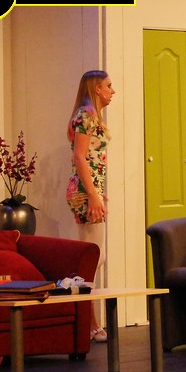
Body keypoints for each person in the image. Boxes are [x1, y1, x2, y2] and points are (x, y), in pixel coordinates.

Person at [66, 69, 115, 341]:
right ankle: (89, 323)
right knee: (92, 259)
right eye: (109, 86)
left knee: (96, 258)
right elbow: (80, 157)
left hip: (89, 191)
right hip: (85, 193)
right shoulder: (85, 115)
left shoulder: (91, 115)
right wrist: (93, 195)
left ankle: (86, 321)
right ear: (97, 88)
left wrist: (99, 192)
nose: (112, 91)